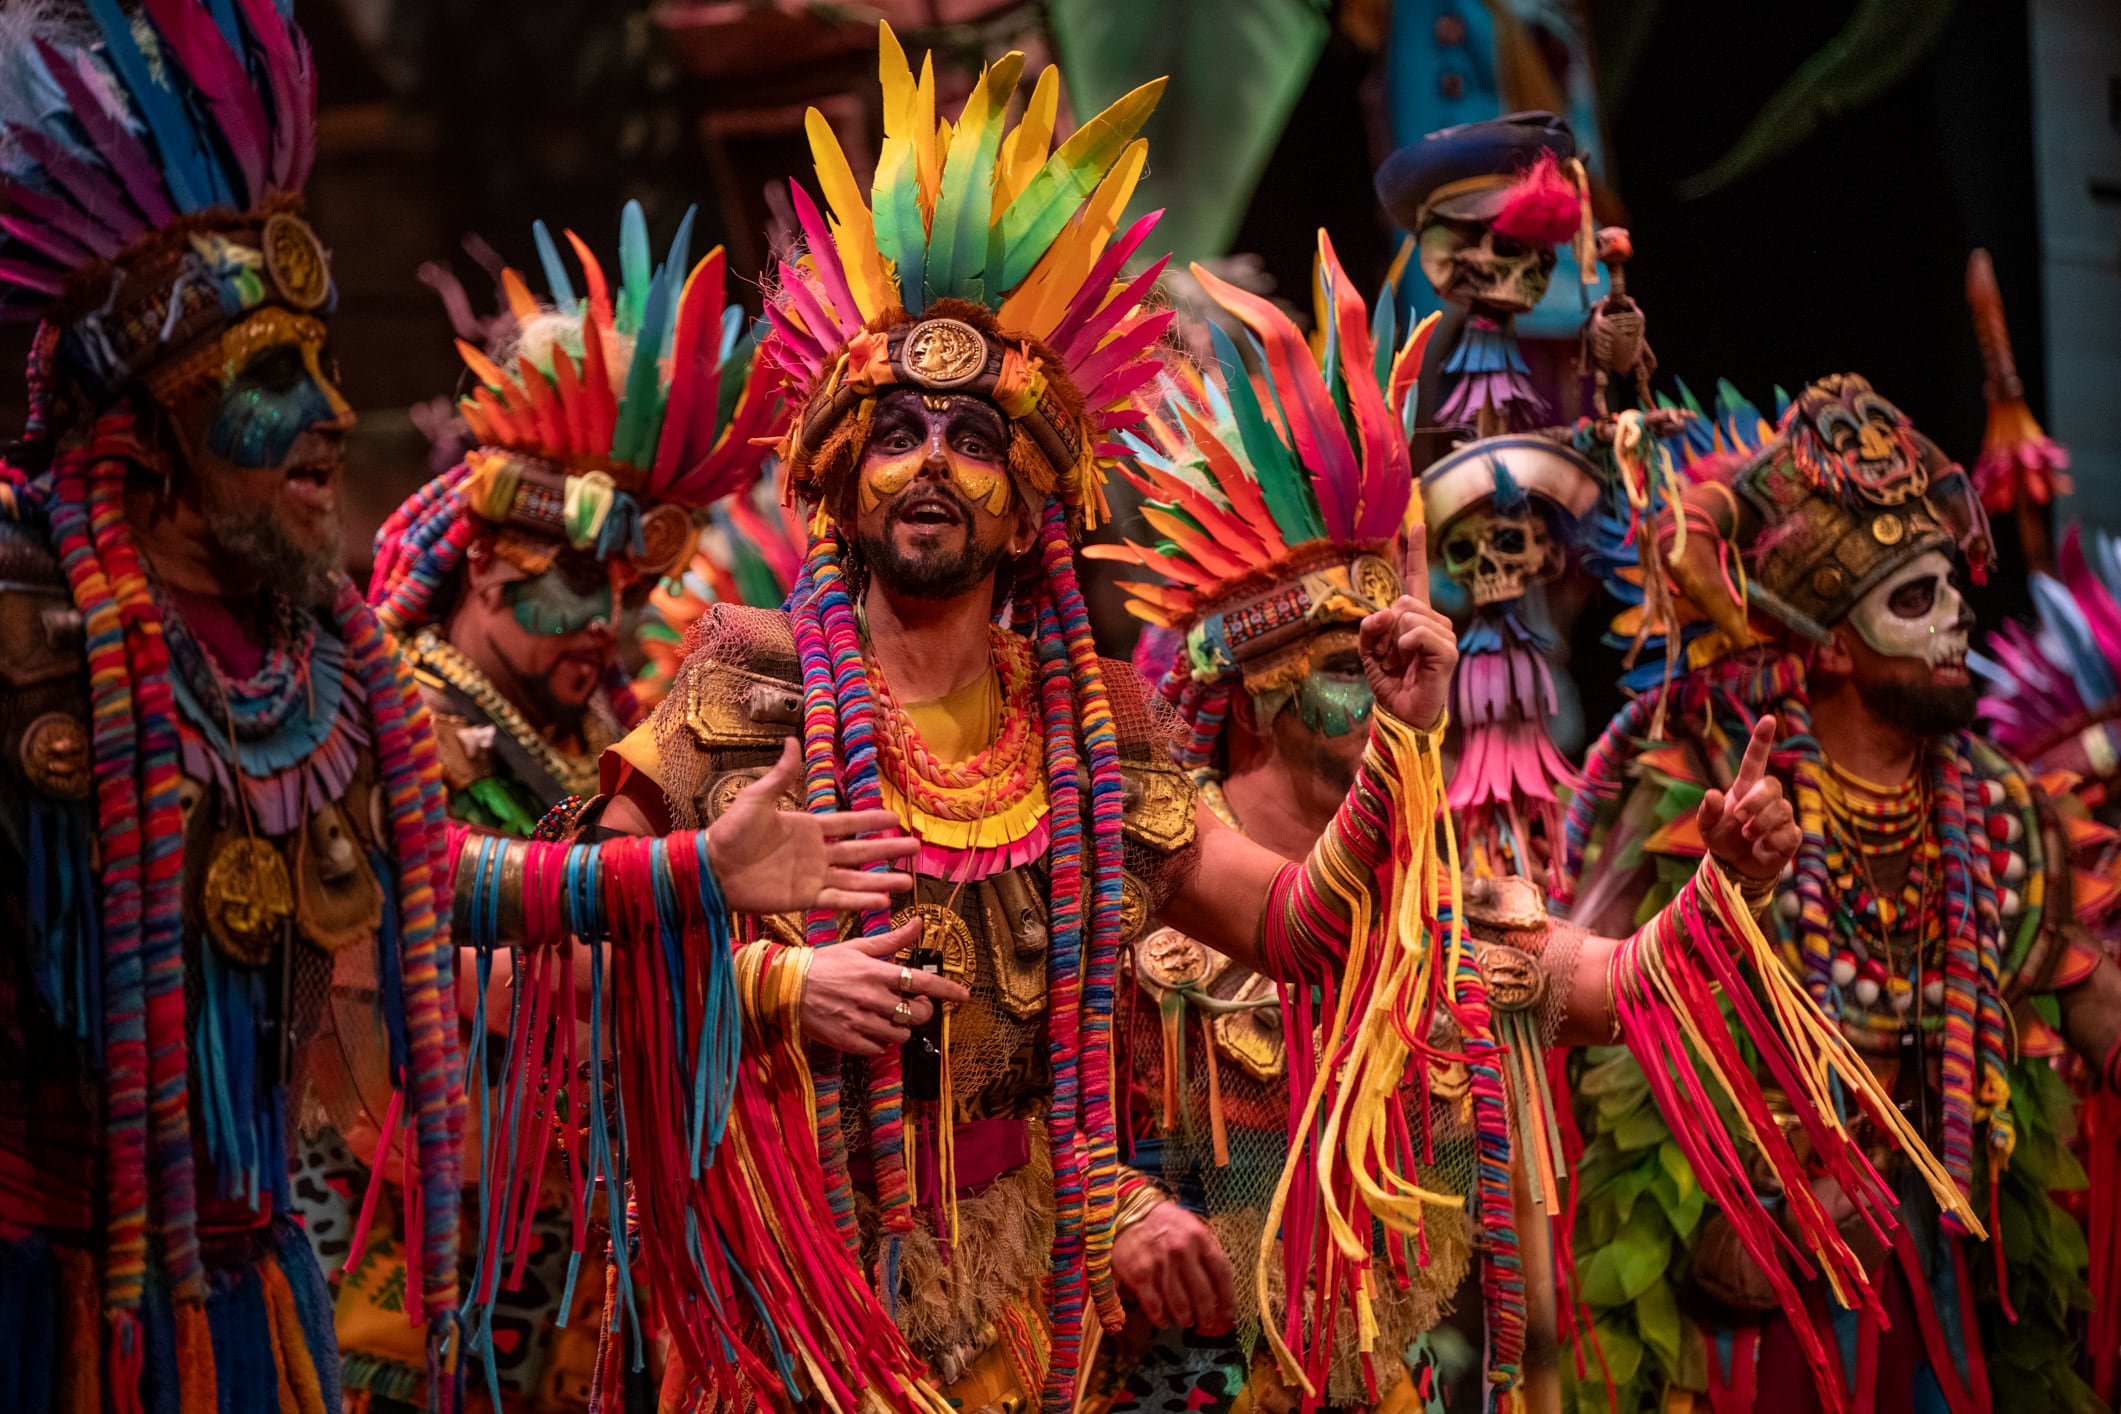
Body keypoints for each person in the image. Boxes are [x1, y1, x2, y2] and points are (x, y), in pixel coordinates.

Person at [558, 33, 1944, 1413]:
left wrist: (1406, 740)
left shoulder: (1087, 737)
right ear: (842, 473)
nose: (932, 463)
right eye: (899, 431)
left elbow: (1303, 933)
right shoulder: (742, 689)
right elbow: (537, 958)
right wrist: (753, 964)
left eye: (977, 438)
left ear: (1034, 497)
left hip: (1020, 1318)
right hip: (785, 1302)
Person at [289, 211, 786, 1413]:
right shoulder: (370, 713)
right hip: (385, 1201)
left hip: (561, 1215)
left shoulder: (611, 745)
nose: (606, 620)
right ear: (482, 559)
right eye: (575, 581)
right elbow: (405, 915)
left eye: (631, 589)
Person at [1558, 374, 2121, 1414]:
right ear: (1830, 644)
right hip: (1758, 1289)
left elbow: (2097, 1007)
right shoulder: (1704, 795)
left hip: (1952, 1279)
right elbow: (1573, 1006)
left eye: (1952, 584)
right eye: (1916, 598)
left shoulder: (2002, 811)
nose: (1959, 616)